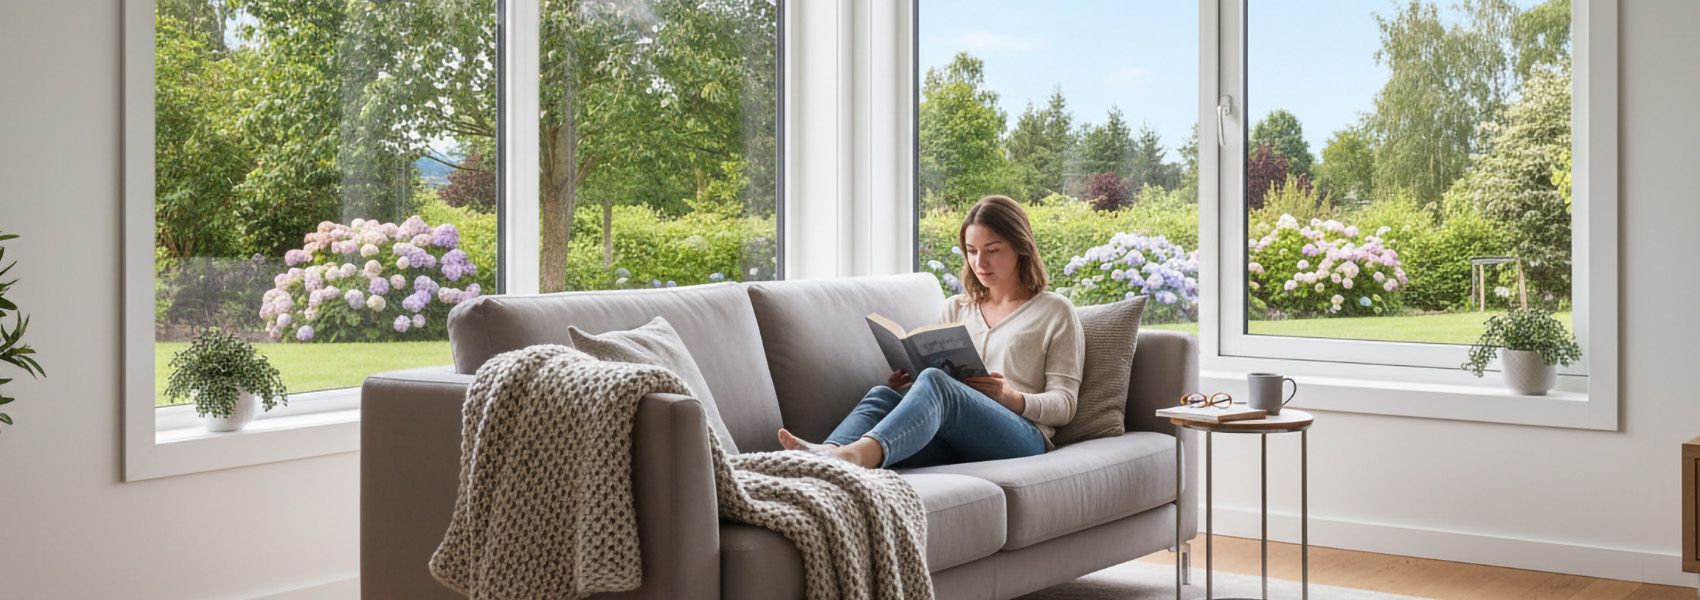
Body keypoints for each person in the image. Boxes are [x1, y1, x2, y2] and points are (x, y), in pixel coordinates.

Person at [777, 194, 1085, 469]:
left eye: (992, 250)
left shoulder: (1054, 311)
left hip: (1021, 436)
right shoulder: (956, 308)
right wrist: (908, 385)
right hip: (954, 437)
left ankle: (853, 457)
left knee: (936, 383)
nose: (980, 262)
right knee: (882, 395)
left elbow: (1065, 405)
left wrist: (1012, 398)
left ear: (1021, 247)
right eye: (972, 251)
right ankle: (821, 457)